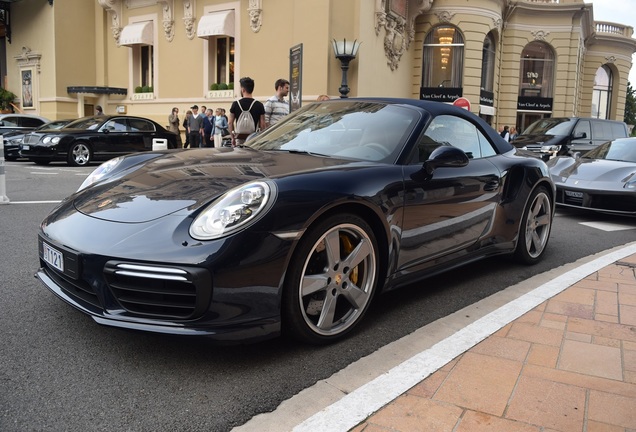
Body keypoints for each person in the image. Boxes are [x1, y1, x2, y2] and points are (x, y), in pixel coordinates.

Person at [228, 77, 265, 147]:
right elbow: (262, 125)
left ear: (243, 89)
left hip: (239, 139)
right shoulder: (259, 105)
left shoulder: (235, 104)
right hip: (253, 139)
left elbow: (230, 123)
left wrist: (232, 137)